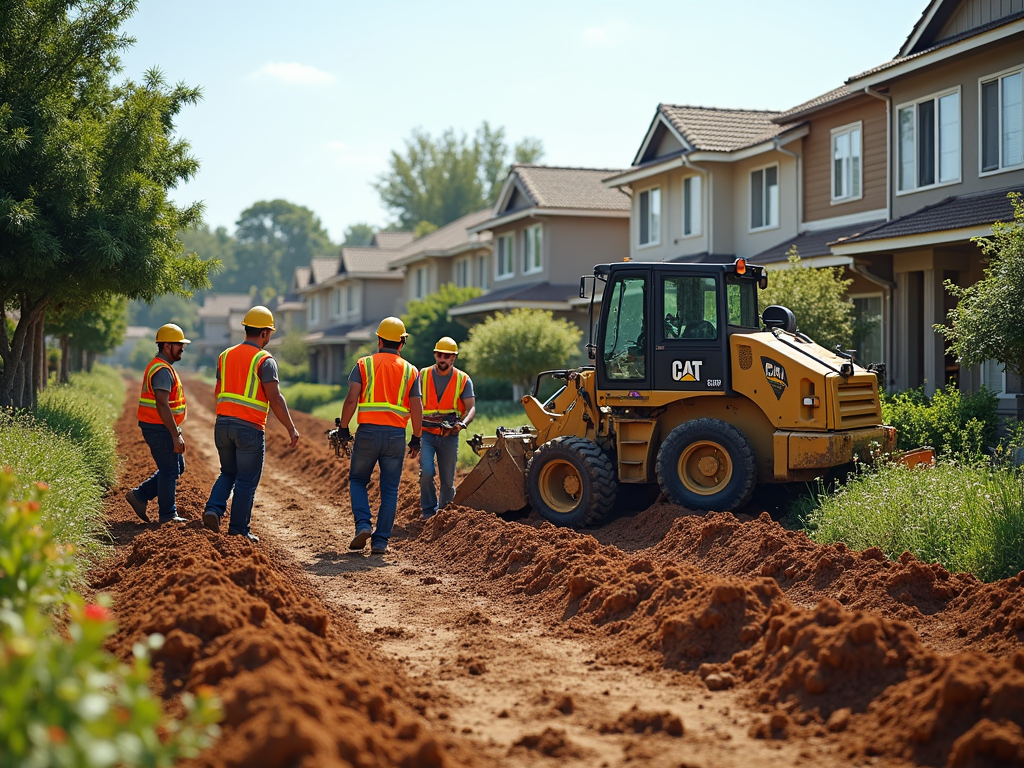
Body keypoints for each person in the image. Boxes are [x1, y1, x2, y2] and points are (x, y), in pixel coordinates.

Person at [202, 306, 300, 543]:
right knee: (246, 480)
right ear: (265, 333)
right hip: (249, 428)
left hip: (223, 424)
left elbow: (218, 390)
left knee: (228, 472)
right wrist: (290, 428)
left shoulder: (224, 356)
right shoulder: (265, 360)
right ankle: (238, 530)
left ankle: (213, 510)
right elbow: (275, 398)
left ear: (246, 328)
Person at [337, 316, 422, 555]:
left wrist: (344, 428)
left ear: (379, 340)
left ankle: (363, 524)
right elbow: (417, 406)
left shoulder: (363, 364)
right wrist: (416, 438)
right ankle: (381, 541)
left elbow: (352, 398)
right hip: (395, 436)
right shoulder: (411, 370)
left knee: (357, 480)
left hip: (368, 433)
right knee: (390, 490)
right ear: (401, 343)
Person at [125, 324, 191, 525]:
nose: (182, 348)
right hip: (158, 427)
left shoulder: (163, 367)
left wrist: (175, 430)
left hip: (159, 425)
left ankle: (140, 496)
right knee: (170, 469)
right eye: (179, 344)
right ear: (166, 345)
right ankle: (168, 515)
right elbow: (162, 404)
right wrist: (174, 434)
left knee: (176, 466)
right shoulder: (162, 370)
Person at [418, 336, 475, 520]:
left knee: (448, 482)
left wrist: (462, 424)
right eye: (440, 355)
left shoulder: (463, 379)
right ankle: (428, 512)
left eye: (447, 356)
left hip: (449, 435)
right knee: (426, 472)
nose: (442, 359)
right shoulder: (422, 375)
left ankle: (443, 514)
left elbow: (471, 407)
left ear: (453, 358)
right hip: (426, 433)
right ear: (435, 355)